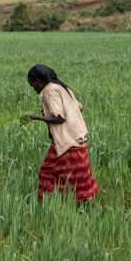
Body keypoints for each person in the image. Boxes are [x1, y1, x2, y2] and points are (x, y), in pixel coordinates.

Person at [24, 64, 99, 202]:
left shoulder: (49, 91)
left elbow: (59, 118)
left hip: (67, 142)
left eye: (33, 85)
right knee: (76, 176)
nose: (34, 89)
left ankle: (46, 204)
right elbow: (79, 107)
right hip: (78, 138)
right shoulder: (62, 87)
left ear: (37, 81)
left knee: (48, 174)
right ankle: (75, 202)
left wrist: (37, 117)